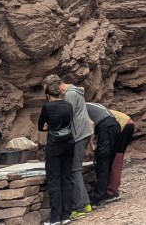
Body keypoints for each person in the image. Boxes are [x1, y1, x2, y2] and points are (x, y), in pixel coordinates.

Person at [43, 75, 94, 218]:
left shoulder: (70, 95)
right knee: (75, 169)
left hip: (78, 135)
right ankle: (86, 204)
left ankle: (79, 207)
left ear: (56, 85)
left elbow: (64, 115)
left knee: (74, 170)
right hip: (83, 133)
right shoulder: (75, 91)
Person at [38, 83, 76, 225]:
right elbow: (70, 122)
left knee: (54, 180)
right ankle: (66, 215)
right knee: (66, 178)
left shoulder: (47, 107)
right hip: (69, 143)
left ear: (48, 95)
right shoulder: (68, 106)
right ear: (59, 93)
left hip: (54, 145)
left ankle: (55, 218)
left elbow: (41, 126)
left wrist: (47, 126)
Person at [85, 102, 121, 207]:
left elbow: (91, 124)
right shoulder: (92, 105)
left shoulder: (81, 107)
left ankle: (98, 196)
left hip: (106, 126)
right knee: (109, 160)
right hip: (115, 125)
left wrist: (91, 143)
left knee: (102, 161)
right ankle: (107, 191)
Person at [104, 107, 135, 202]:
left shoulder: (85, 113)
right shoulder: (93, 108)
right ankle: (112, 189)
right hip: (126, 123)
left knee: (117, 156)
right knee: (115, 155)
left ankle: (111, 192)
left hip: (124, 126)